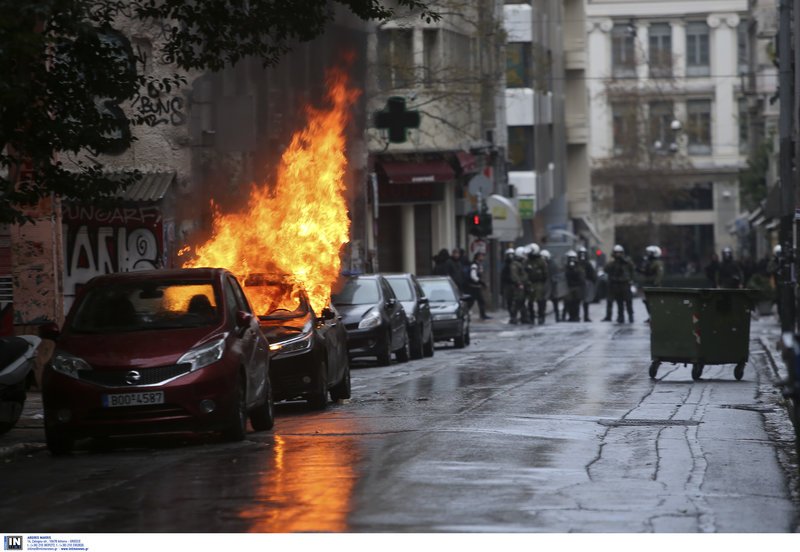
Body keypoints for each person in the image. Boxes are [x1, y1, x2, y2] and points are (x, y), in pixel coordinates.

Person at [603, 244, 635, 323]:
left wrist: (632, 280)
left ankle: (630, 316)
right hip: (616, 284)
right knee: (619, 301)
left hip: (625, 284)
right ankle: (620, 317)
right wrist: (612, 262)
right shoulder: (612, 263)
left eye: (620, 253)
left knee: (628, 301)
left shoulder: (627, 262)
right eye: (616, 253)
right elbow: (606, 269)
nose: (618, 254)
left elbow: (633, 270)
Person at [637, 245, 664, 323]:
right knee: (647, 302)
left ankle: (656, 317)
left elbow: (659, 274)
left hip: (654, 286)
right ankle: (651, 316)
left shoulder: (658, 263)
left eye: (650, 253)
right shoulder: (650, 262)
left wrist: (656, 284)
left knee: (654, 302)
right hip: (649, 286)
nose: (648, 254)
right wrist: (639, 270)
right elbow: (647, 272)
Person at [524, 243, 549, 325]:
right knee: (530, 301)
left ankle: (541, 316)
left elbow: (545, 273)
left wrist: (542, 280)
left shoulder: (541, 261)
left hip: (539, 283)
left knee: (540, 300)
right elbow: (524, 272)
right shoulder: (527, 261)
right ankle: (531, 317)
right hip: (530, 282)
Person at [576, 246, 597, 322]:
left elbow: (592, 274)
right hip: (578, 284)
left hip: (586, 284)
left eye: (583, 254)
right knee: (577, 301)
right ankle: (576, 316)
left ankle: (586, 316)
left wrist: (592, 282)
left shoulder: (588, 264)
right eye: (581, 254)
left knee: (586, 301)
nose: (582, 256)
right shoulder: (576, 263)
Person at [542, 249, 563, 322]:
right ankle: (542, 317)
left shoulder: (552, 264)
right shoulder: (543, 264)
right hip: (546, 286)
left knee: (555, 302)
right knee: (543, 303)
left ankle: (557, 317)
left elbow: (556, 274)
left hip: (552, 286)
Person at [468, 252, 491, 320]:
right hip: (474, 287)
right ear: (477, 257)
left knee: (480, 301)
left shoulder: (479, 265)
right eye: (481, 256)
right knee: (472, 302)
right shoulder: (474, 265)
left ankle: (482, 314)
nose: (482, 258)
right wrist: (480, 282)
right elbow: (473, 276)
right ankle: (482, 315)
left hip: (477, 286)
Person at [509, 247, 529, 324]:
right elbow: (514, 275)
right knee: (517, 301)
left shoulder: (521, 264)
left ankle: (524, 317)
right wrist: (519, 283)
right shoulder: (515, 264)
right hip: (518, 287)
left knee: (522, 302)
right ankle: (513, 317)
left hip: (522, 285)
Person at [563, 250, 585, 322]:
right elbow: (564, 276)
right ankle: (571, 316)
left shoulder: (578, 267)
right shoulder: (566, 267)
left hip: (576, 287)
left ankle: (576, 316)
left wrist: (575, 272)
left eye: (573, 258)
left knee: (576, 303)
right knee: (569, 303)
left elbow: (581, 277)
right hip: (569, 287)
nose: (571, 260)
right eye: (570, 258)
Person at [500, 248, 516, 319]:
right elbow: (503, 278)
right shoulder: (506, 266)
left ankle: (515, 315)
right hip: (508, 285)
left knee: (518, 301)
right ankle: (512, 315)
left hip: (515, 285)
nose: (511, 256)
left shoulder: (516, 264)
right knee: (509, 301)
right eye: (509, 255)